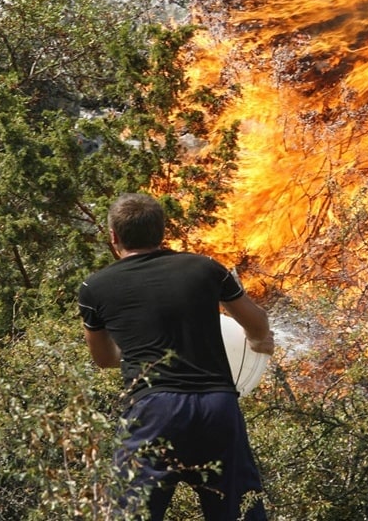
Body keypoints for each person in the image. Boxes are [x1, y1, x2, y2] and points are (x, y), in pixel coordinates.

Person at [78, 192, 275, 520]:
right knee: (238, 513)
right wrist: (258, 341)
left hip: (155, 410)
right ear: (162, 231)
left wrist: (141, 344)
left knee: (130, 513)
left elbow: (105, 358)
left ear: (113, 237)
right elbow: (257, 322)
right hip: (218, 407)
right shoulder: (206, 268)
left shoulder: (95, 287)